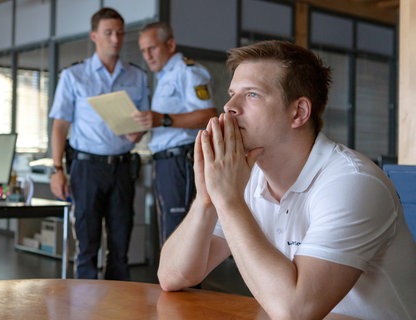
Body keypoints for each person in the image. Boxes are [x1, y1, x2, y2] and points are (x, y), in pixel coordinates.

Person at [157, 40, 416, 319]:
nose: (229, 106)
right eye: (232, 93)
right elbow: (174, 276)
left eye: (252, 94)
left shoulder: (353, 183)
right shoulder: (245, 177)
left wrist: (229, 201)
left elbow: (295, 311)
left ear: (299, 113)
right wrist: (207, 199)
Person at [48, 7, 148, 280]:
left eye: (119, 33)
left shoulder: (137, 77)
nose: (115, 39)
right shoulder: (74, 76)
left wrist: (137, 133)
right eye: (108, 33)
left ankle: (117, 309)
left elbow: (143, 123)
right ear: (94, 35)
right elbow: (60, 125)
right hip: (86, 169)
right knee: (87, 245)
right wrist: (57, 169)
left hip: (123, 169)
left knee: (120, 246)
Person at [133, 22, 217, 245]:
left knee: (179, 232)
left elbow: (208, 114)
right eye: (143, 51)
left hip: (180, 160)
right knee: (169, 231)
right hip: (164, 162)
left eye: (152, 48)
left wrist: (164, 119)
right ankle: (173, 281)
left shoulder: (187, 71)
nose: (147, 56)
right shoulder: (163, 77)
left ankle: (184, 282)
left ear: (170, 44)